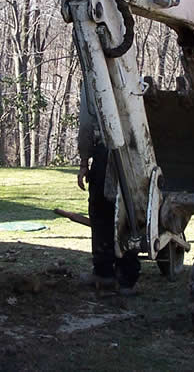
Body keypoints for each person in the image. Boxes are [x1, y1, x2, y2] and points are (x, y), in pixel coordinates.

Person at [77, 84, 140, 295]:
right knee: (129, 212)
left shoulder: (91, 81)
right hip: (134, 151)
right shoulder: (126, 77)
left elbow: (86, 125)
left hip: (106, 152)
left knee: (101, 212)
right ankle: (126, 276)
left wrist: (84, 162)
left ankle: (104, 272)